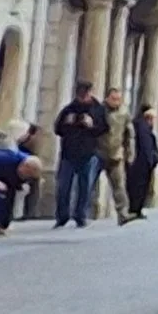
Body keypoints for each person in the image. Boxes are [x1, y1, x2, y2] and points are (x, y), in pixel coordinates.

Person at [51, 81, 110, 229]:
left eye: (85, 93)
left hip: (88, 153)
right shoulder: (69, 109)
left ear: (90, 92)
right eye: (80, 93)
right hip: (68, 153)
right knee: (64, 186)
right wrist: (66, 123)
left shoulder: (98, 110)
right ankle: (62, 216)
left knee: (85, 186)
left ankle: (80, 215)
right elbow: (57, 129)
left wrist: (91, 125)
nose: (83, 96)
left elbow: (103, 129)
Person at [100, 88, 138, 224]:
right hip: (98, 153)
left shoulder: (124, 112)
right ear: (107, 99)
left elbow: (130, 134)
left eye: (118, 99)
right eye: (113, 99)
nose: (116, 102)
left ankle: (123, 213)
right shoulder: (100, 110)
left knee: (119, 185)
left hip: (116, 153)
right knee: (88, 183)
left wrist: (130, 152)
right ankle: (80, 212)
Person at [127, 107, 158, 221]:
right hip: (140, 164)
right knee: (138, 187)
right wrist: (151, 160)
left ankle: (136, 209)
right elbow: (146, 146)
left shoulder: (144, 127)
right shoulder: (141, 127)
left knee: (139, 188)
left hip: (142, 163)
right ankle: (134, 210)